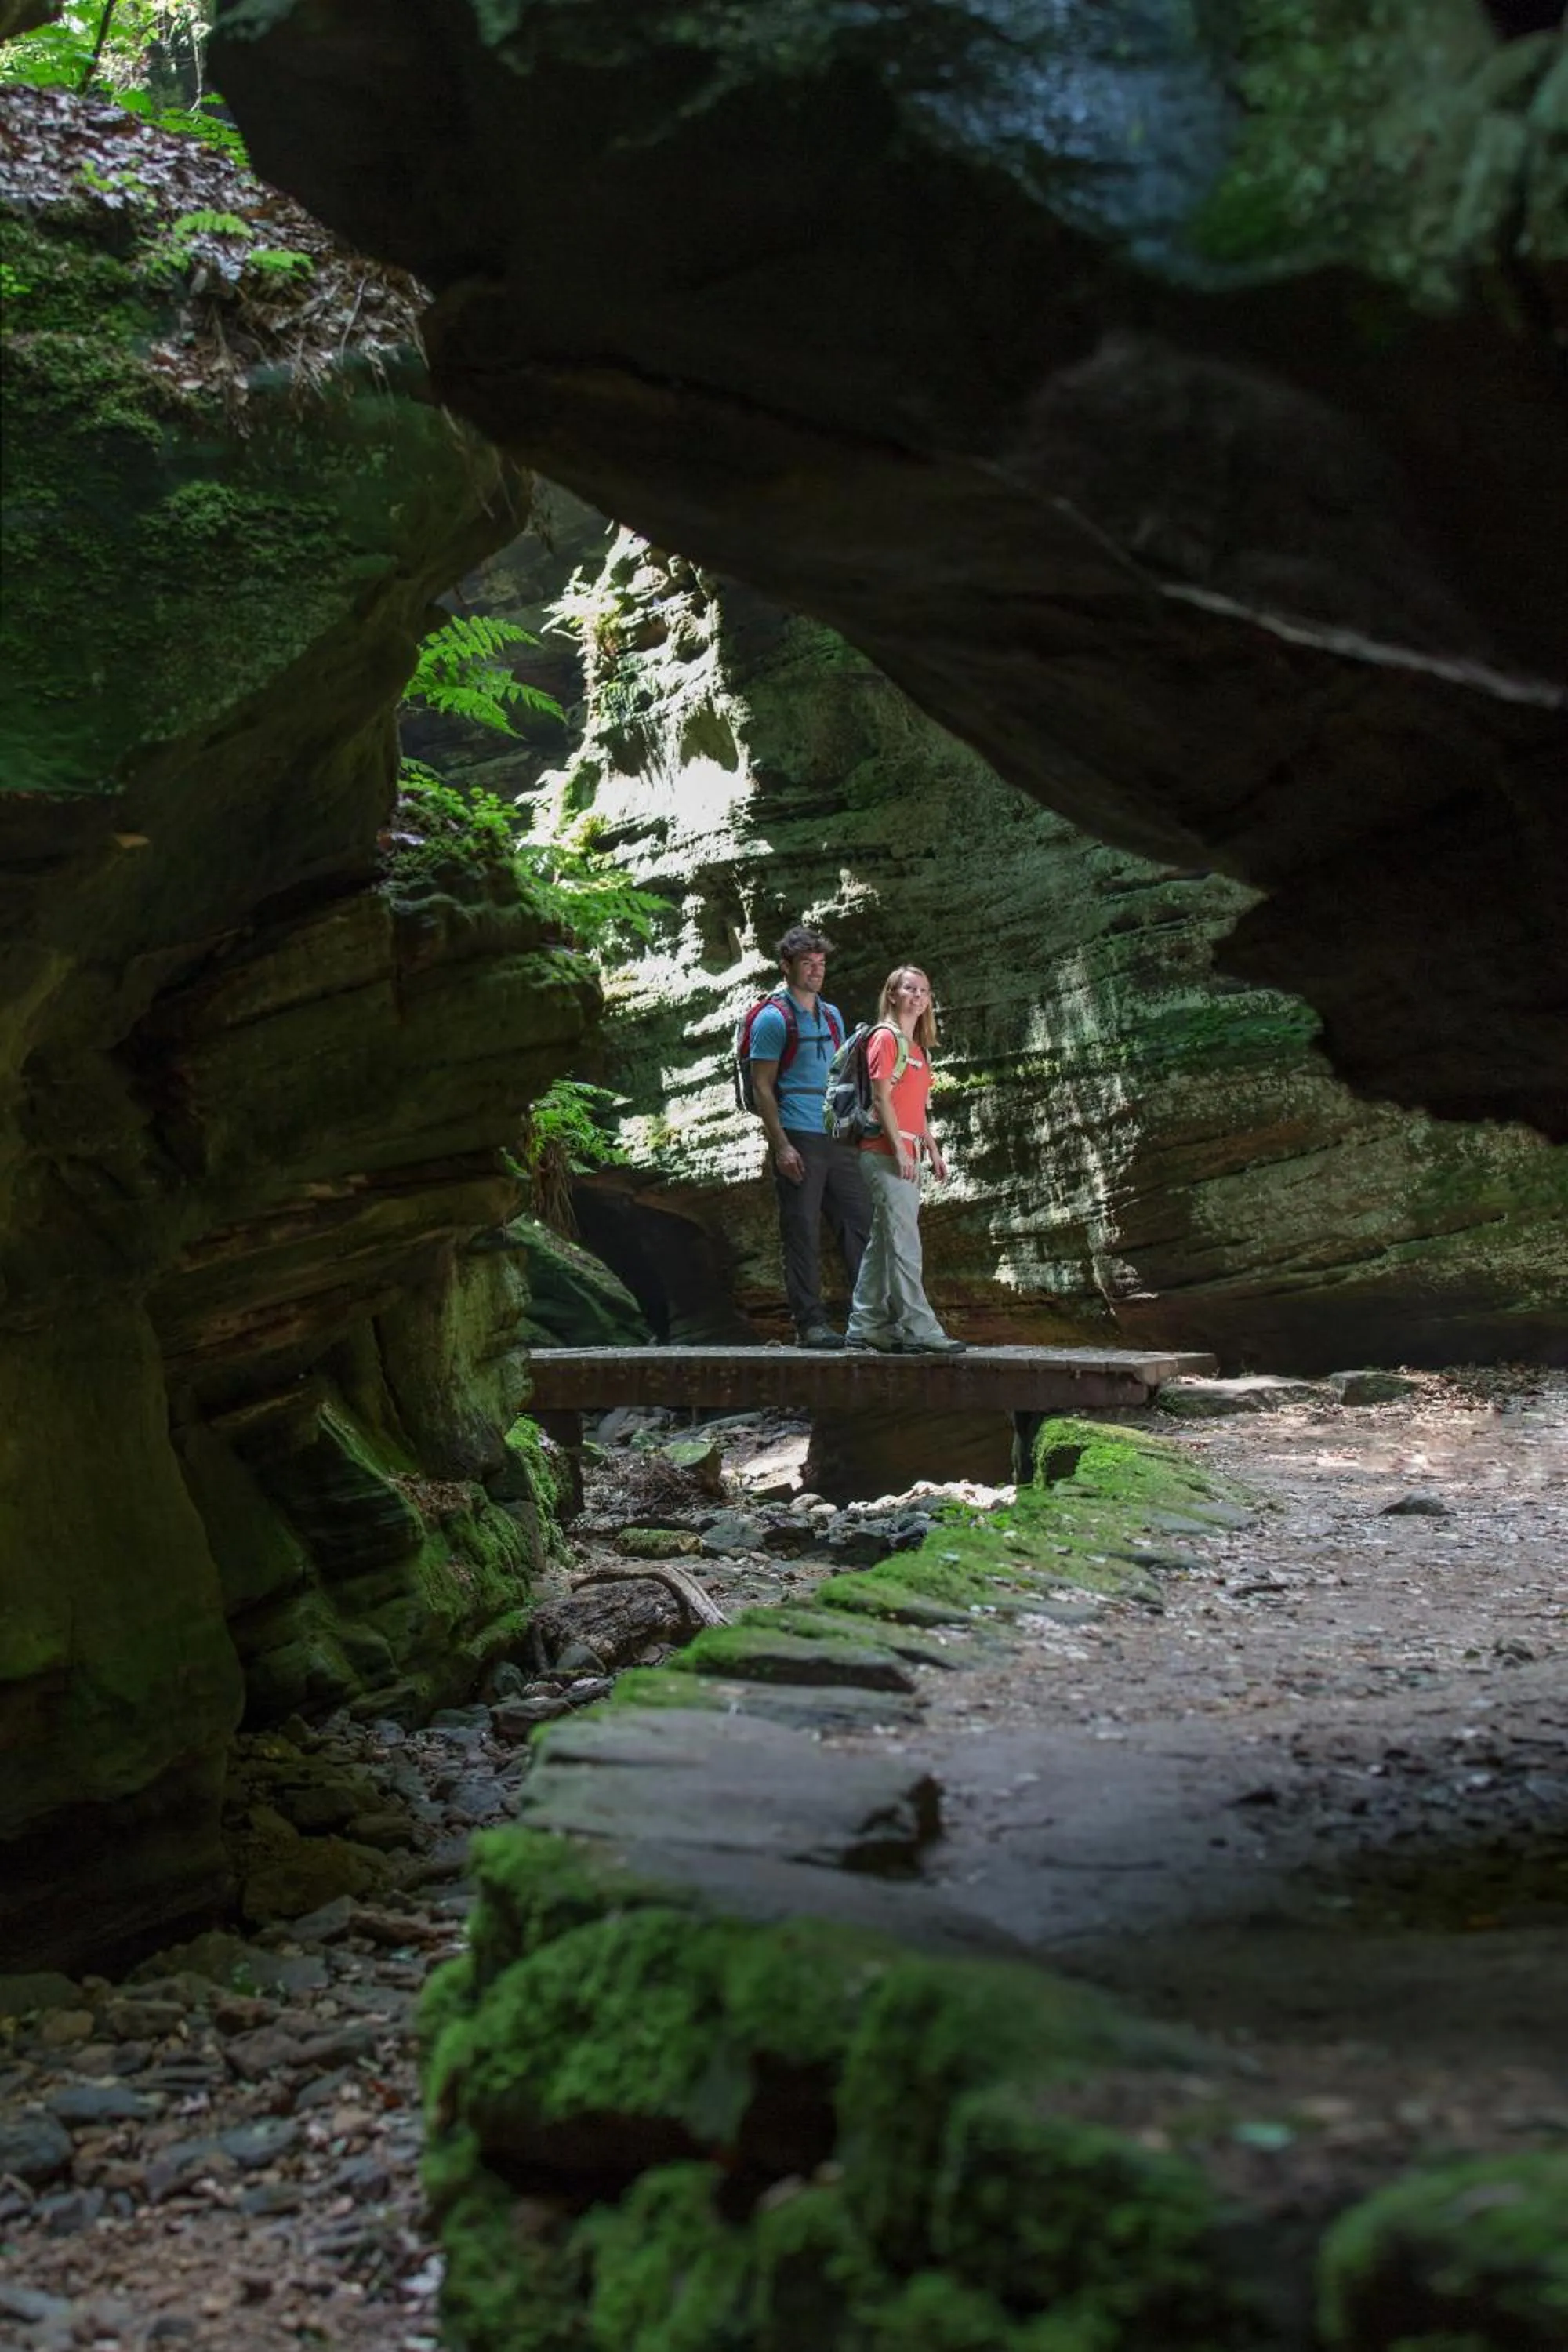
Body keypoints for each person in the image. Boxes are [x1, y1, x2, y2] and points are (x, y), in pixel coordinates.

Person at [747, 923, 872, 1348]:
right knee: (801, 1231)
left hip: (836, 1134)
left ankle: (869, 1317)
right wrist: (781, 1145)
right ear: (787, 966)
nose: (816, 971)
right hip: (798, 1135)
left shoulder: (832, 1015)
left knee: (859, 1224)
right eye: (807, 963)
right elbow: (762, 1086)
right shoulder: (772, 1019)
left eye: (820, 963)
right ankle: (810, 1324)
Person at [845, 965, 966, 1355]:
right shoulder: (885, 1038)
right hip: (884, 1153)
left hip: (908, 1153)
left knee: (885, 1242)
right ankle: (919, 1328)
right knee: (905, 1243)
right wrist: (898, 1148)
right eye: (909, 989)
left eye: (924, 991)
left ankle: (865, 1326)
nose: (918, 996)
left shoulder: (919, 1049)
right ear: (892, 995)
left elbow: (913, 1107)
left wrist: (931, 1147)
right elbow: (881, 1099)